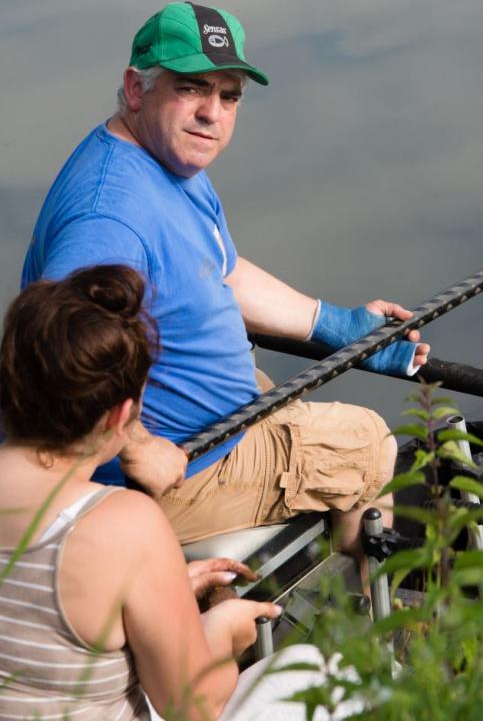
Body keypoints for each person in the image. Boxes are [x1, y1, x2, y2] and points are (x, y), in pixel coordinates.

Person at [21, 1, 429, 555]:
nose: (211, 113)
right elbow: (59, 350)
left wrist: (338, 326)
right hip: (167, 472)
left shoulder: (168, 162)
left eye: (229, 96)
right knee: (368, 443)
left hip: (207, 422)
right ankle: (359, 598)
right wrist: (136, 446)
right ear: (136, 89)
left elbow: (222, 272)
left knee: (274, 392)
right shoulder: (108, 217)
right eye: (191, 88)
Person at [0, 264, 363, 721]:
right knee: (323, 671)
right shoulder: (120, 525)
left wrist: (166, 591)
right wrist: (223, 630)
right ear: (121, 416)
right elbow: (192, 706)